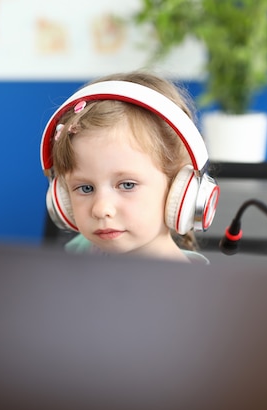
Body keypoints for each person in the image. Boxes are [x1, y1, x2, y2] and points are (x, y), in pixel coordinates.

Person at [39, 70, 219, 264]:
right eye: (85, 188)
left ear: (181, 190)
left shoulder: (194, 285)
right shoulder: (76, 254)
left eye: (127, 185)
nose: (101, 209)